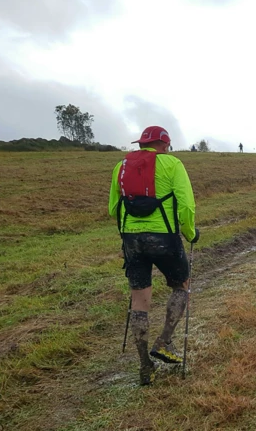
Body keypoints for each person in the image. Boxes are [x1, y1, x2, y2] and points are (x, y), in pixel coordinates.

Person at [109, 126, 200, 386]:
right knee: (181, 287)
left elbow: (112, 208)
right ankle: (163, 342)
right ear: (165, 144)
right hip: (164, 238)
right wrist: (191, 233)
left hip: (132, 240)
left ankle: (144, 365)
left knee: (139, 301)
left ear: (142, 144)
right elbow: (186, 205)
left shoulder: (121, 167)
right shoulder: (172, 164)